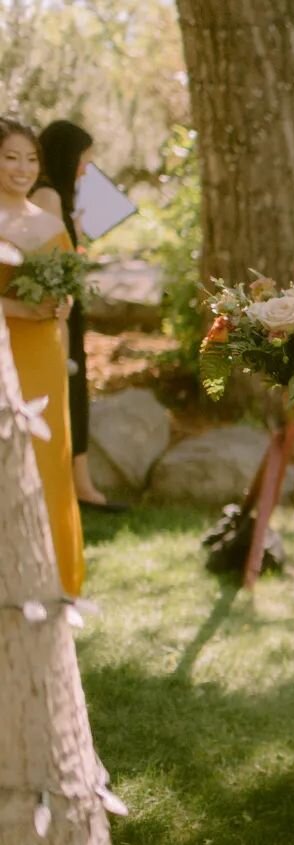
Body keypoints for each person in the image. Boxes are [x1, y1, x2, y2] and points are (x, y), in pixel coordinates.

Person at [0, 116, 85, 597]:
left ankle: (57, 578)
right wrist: (14, 305)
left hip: (47, 358)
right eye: (10, 157)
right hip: (4, 353)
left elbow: (69, 298)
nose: (22, 168)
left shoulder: (51, 224)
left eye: (30, 159)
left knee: (49, 459)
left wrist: (60, 304)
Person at [31, 119, 121, 512]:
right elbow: (49, 258)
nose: (86, 169)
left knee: (76, 390)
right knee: (68, 389)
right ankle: (77, 487)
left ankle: (79, 483)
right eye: (83, 160)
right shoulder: (47, 195)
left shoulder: (57, 196)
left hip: (67, 305)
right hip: (57, 310)